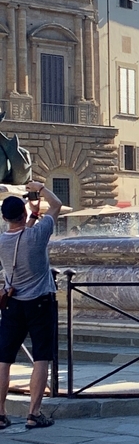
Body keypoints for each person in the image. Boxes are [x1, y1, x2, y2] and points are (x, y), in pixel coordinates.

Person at [0, 181, 63, 430]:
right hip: (40, 303)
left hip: (12, 305)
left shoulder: (2, 241)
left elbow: (18, 239)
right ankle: (34, 414)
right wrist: (41, 188)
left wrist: (32, 212)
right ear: (23, 214)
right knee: (41, 358)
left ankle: (1, 414)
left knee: (4, 360)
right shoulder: (38, 235)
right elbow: (56, 205)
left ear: (4, 217)